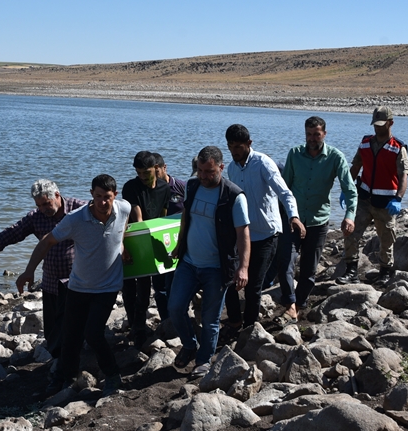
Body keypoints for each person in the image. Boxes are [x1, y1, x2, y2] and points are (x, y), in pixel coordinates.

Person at [17, 175, 131, 396]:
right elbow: (46, 242)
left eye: (107, 197)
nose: (102, 202)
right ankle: (66, 378)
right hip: (78, 286)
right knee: (70, 336)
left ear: (114, 196)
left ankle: (113, 375)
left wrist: (122, 242)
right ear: (92, 195)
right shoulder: (75, 219)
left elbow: (131, 213)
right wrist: (29, 270)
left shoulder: (123, 208)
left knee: (94, 333)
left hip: (107, 287)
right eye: (98, 196)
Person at [0, 180, 86, 359]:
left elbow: (107, 218)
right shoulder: (37, 217)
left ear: (57, 196)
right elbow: (12, 232)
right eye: (38, 205)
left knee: (74, 326)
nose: (43, 209)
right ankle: (57, 362)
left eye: (46, 204)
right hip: (51, 282)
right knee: (52, 331)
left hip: (77, 280)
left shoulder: (79, 209)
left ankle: (72, 362)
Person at [167, 146, 251, 376]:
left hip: (217, 267)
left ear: (221, 168)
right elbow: (186, 216)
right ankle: (190, 344)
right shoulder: (192, 186)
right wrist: (178, 244)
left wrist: (242, 268)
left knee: (212, 319)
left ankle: (204, 361)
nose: (203, 176)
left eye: (209, 171)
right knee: (175, 307)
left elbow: (243, 234)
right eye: (200, 170)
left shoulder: (234, 196)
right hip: (189, 261)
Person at [223, 124, 304, 331]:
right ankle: (234, 321)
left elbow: (285, 192)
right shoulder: (232, 168)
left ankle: (250, 329)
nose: (234, 151)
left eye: (238, 147)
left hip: (267, 234)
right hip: (243, 234)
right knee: (230, 280)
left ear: (249, 144)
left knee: (253, 286)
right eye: (231, 146)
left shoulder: (263, 163)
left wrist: (293, 216)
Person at [279, 116, 357, 315]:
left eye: (316, 134)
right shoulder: (294, 154)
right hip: (294, 219)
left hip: (318, 221)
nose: (312, 139)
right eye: (309, 134)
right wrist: (283, 215)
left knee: (309, 269)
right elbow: (285, 189)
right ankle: (290, 304)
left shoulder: (335, 157)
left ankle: (300, 302)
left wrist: (349, 215)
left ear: (324, 134)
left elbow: (350, 190)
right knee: (286, 261)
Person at [121, 151, 183, 348]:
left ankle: (155, 323)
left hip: (153, 238)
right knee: (132, 288)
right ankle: (135, 326)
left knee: (152, 286)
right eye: (139, 173)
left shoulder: (165, 187)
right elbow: (135, 214)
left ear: (156, 169)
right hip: (133, 238)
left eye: (146, 173)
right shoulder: (131, 187)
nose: (143, 177)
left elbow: (164, 213)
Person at [341, 107, 408, 285]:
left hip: (386, 203)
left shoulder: (398, 148)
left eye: (381, 125)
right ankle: (351, 271)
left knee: (386, 239)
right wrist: (346, 189)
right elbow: (355, 167)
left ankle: (385, 272)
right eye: (375, 125)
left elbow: (403, 176)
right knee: (351, 233)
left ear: (390, 123)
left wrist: (398, 199)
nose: (377, 128)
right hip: (363, 199)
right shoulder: (365, 143)